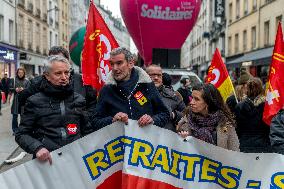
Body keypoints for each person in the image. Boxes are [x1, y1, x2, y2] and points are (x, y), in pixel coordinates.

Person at [15, 55, 90, 164]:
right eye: (58, 73)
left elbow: (87, 130)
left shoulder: (79, 99)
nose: (64, 77)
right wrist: (37, 148)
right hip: (47, 162)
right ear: (47, 76)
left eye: (67, 72)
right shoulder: (34, 101)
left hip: (75, 161)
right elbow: (21, 134)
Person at [91, 47, 170, 130]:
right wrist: (112, 120)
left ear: (131, 63)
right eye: (112, 64)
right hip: (118, 142)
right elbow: (95, 121)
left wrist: (152, 120)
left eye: (119, 63)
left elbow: (164, 114)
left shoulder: (146, 85)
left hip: (145, 141)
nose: (115, 68)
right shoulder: (106, 90)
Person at [18, 46, 97, 118]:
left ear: (67, 61)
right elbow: (23, 104)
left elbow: (92, 105)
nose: (56, 63)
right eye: (52, 59)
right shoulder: (37, 82)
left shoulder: (83, 81)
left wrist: (85, 121)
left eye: (59, 59)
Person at [177, 83, 239, 151]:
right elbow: (179, 150)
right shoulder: (186, 120)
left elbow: (235, 151)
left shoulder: (225, 122)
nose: (191, 102)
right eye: (192, 98)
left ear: (208, 102)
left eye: (197, 99)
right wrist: (183, 140)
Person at [235, 77, 271, 153]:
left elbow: (238, 128)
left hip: (245, 145)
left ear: (247, 89)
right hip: (263, 145)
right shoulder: (267, 106)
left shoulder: (239, 106)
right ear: (261, 88)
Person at [146, 65, 185, 132]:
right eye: (152, 75)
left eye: (159, 75)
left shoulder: (174, 95)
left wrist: (174, 115)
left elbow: (186, 115)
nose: (156, 78)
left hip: (166, 139)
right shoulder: (137, 93)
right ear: (145, 75)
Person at [10, 68, 30, 134]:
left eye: (22, 73)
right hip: (16, 100)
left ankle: (22, 129)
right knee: (15, 116)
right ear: (17, 73)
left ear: (24, 73)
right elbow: (10, 89)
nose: (20, 74)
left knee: (23, 116)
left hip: (23, 101)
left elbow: (30, 90)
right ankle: (15, 130)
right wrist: (15, 89)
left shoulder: (27, 81)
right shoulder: (14, 80)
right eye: (19, 72)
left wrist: (23, 89)